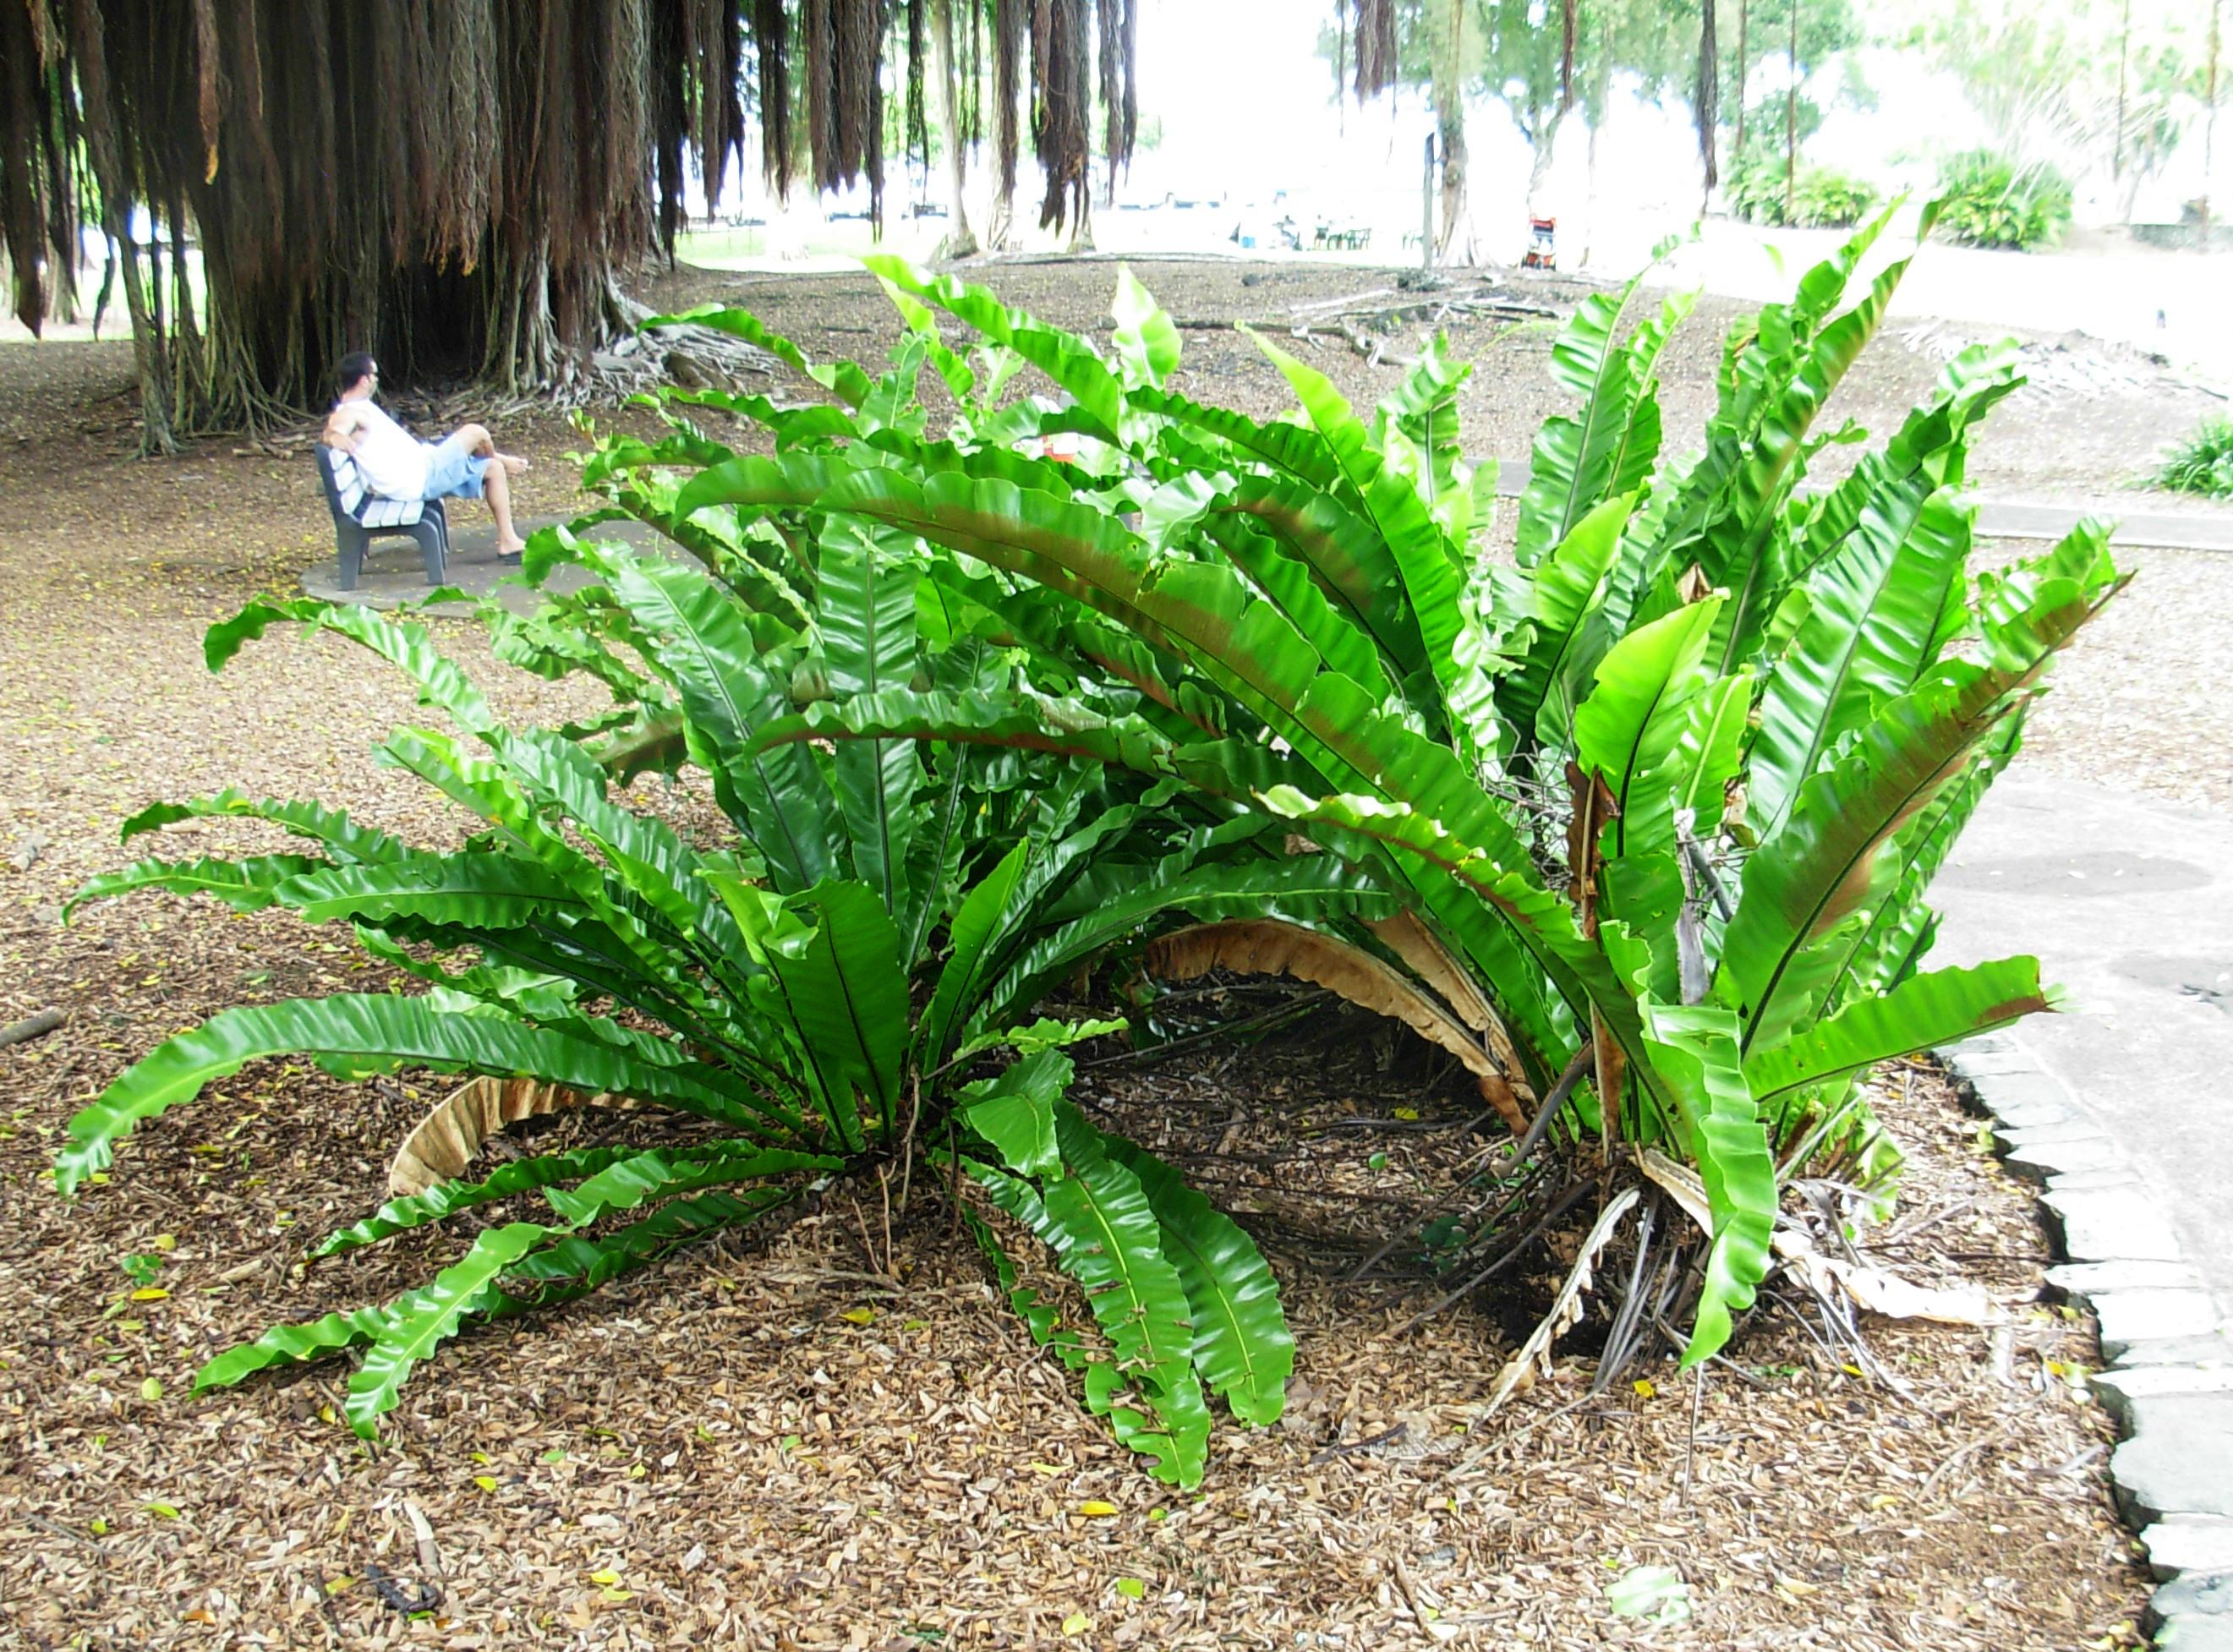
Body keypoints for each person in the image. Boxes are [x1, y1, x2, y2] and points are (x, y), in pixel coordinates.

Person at [320, 352, 530, 557]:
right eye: (375, 375)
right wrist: (335, 437)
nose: (376, 380)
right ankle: (503, 459)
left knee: (493, 469)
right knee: (476, 432)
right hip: (418, 478)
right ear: (364, 380)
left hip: (423, 467)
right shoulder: (351, 412)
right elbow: (334, 430)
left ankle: (508, 540)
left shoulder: (362, 407)